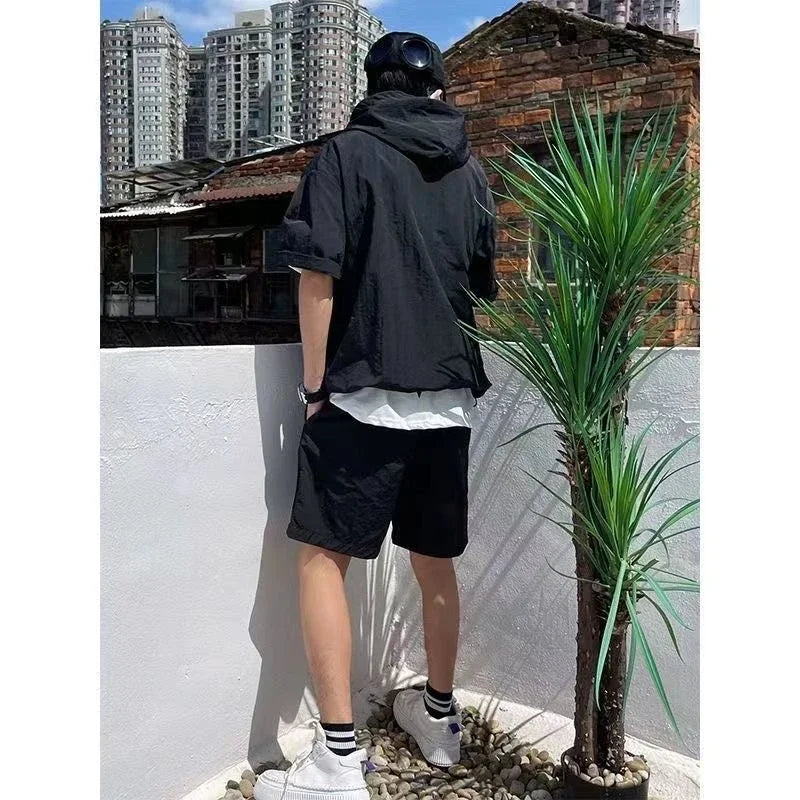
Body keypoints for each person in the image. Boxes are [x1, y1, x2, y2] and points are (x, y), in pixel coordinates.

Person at [254, 31, 497, 800]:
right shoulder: (470, 169)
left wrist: (314, 388)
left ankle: (336, 760)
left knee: (322, 560)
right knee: (435, 562)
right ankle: (439, 721)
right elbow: (479, 280)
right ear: (437, 91)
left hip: (362, 394)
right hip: (448, 399)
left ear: (372, 85)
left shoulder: (344, 156)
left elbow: (316, 278)